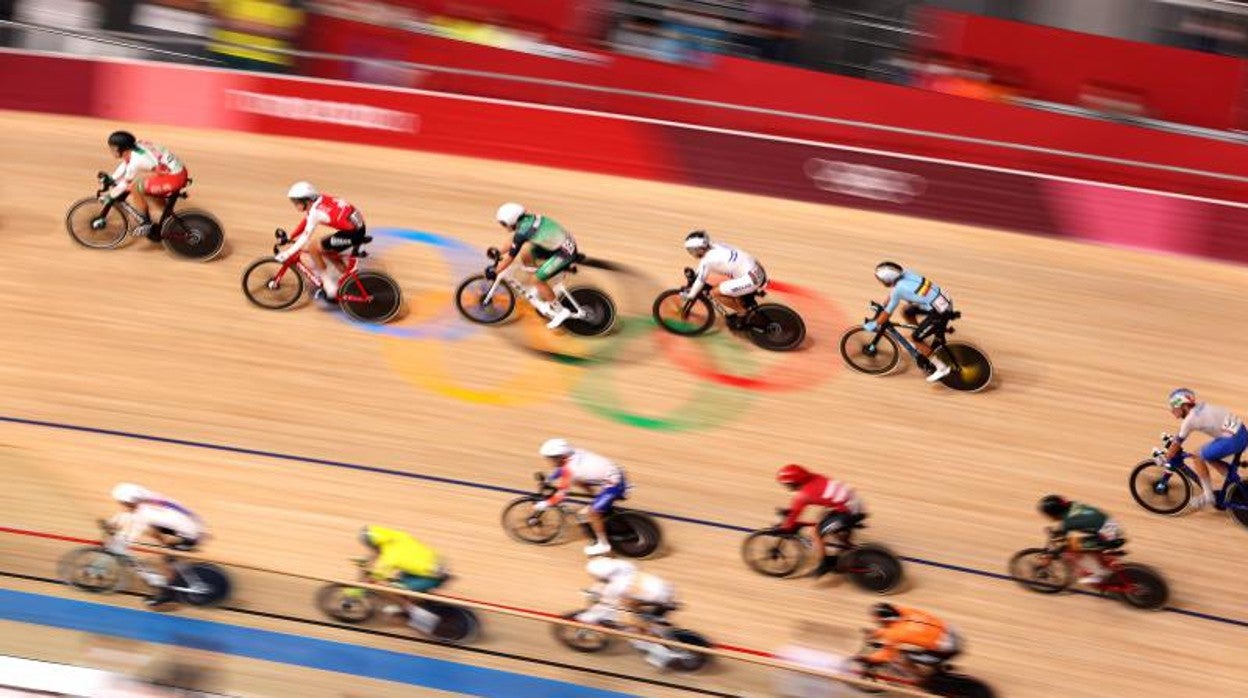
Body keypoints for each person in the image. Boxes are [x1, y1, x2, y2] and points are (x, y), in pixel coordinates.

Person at [104, 483, 204, 608]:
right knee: (155, 536)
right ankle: (170, 568)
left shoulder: (146, 513)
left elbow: (137, 529)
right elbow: (127, 513)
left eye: (122, 503)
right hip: (190, 524)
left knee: (168, 558)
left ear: (130, 501)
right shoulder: (146, 497)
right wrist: (112, 522)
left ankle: (168, 595)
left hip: (190, 533)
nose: (121, 505)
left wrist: (122, 541)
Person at [490, 202, 580, 329]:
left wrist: (495, 271)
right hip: (560, 244)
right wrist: (498, 252)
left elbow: (510, 257)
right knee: (526, 254)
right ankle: (540, 289)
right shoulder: (527, 221)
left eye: (503, 223)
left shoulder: (523, 232)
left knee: (536, 280)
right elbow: (514, 240)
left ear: (511, 221)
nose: (503, 226)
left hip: (564, 252)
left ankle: (560, 311)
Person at [274, 182, 368, 302]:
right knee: (327, 250)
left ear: (306, 200)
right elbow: (306, 221)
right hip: (356, 228)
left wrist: (287, 253)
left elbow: (305, 237)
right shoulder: (318, 201)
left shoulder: (315, 212)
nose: (294, 204)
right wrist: (291, 237)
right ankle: (347, 279)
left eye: (296, 202)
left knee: (313, 247)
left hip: (354, 233)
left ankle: (330, 288)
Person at [579, 556, 679, 668]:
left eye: (594, 575)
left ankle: (662, 655)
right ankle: (657, 627)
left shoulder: (616, 588)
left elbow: (605, 605)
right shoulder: (623, 564)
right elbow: (608, 584)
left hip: (658, 598)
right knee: (631, 606)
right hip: (663, 588)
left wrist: (586, 618)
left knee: (633, 631)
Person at [533, 438, 627, 556]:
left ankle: (604, 545)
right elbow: (561, 469)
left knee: (592, 513)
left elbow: (561, 495)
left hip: (615, 484)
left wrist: (545, 503)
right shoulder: (572, 454)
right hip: (613, 474)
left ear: (560, 457)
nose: (549, 461)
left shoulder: (571, 470)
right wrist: (550, 479)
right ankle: (597, 501)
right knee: (578, 481)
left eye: (551, 458)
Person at [864, 261, 955, 382]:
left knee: (914, 339)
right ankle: (922, 334)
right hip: (944, 301)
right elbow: (893, 293)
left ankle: (941, 368)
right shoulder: (906, 273)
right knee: (907, 311)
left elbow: (887, 314)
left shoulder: (899, 290)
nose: (880, 282)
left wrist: (875, 324)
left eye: (881, 280)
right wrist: (883, 304)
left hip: (939, 312)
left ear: (888, 280)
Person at [1165, 388, 1247, 509]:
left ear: (1183, 405)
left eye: (1173, 407)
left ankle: (1208, 496)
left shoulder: (1189, 420)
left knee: (1198, 455)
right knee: (1208, 455)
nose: (1172, 411)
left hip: (1232, 439)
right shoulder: (1201, 406)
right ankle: (1233, 479)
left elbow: (1175, 447)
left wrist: (1166, 457)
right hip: (1241, 433)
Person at [775, 464, 863, 577]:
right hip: (854, 504)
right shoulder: (814, 477)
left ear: (794, 482)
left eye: (787, 484)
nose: (787, 487)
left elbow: (791, 520)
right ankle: (845, 544)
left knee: (815, 532)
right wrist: (791, 512)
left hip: (848, 512)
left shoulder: (804, 495)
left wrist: (784, 527)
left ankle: (825, 563)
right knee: (822, 519)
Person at [357, 525, 447, 635]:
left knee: (384, 588)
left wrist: (367, 576)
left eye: (370, 546)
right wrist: (368, 560)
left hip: (429, 577)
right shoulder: (396, 536)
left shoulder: (391, 556)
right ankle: (412, 604)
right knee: (396, 580)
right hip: (432, 566)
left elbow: (376, 575)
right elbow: (377, 553)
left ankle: (415, 612)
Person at [102, 131, 189, 242]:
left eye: (113, 148)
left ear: (122, 149)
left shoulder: (136, 161)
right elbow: (125, 164)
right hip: (176, 171)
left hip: (174, 177)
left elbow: (126, 182)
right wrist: (113, 178)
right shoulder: (134, 147)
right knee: (147, 188)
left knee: (136, 187)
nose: (111, 151)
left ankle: (145, 223)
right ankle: (168, 218)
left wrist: (110, 196)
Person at [681, 230, 768, 329]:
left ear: (700, 249)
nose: (691, 253)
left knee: (714, 292)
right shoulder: (717, 245)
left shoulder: (708, 260)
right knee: (729, 290)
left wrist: (691, 295)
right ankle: (745, 306)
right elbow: (701, 270)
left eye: (692, 250)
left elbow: (701, 280)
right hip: (756, 269)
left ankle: (742, 313)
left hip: (750, 278)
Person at [1037, 494, 1125, 585]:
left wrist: (1051, 554)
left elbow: (1059, 540)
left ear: (1054, 513)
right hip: (1112, 528)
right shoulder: (1074, 505)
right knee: (1082, 543)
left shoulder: (1068, 522)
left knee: (1071, 548)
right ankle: (1102, 564)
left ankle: (1099, 574)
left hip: (1108, 536)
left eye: (1047, 515)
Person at [859, 603, 961, 678]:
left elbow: (887, 654)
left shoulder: (895, 634)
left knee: (902, 657)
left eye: (877, 621)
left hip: (948, 648)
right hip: (952, 633)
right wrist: (877, 634)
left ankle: (922, 680)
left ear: (884, 620)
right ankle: (937, 666)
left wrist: (870, 660)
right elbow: (894, 627)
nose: (875, 622)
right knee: (918, 648)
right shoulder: (906, 611)